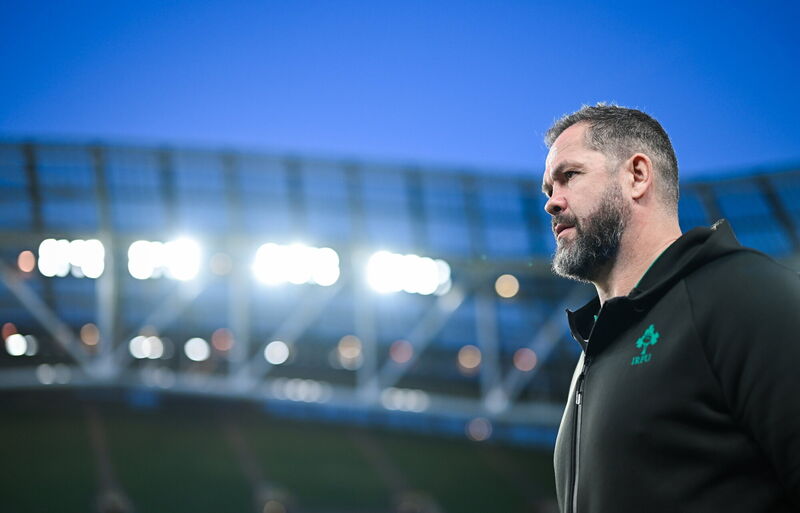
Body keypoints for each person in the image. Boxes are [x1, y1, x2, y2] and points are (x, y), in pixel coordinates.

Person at [541, 104, 800, 513]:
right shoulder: (593, 355)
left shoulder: (743, 293)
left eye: (568, 176)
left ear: (637, 175)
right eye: (547, 190)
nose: (552, 203)